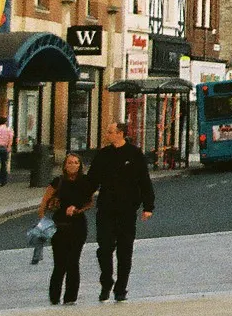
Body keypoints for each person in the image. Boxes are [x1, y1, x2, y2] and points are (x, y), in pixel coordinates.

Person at [88, 120, 154, 302]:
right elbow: (91, 181)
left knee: (125, 251)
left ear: (120, 133)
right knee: (104, 248)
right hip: (106, 209)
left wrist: (148, 206)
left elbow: (144, 181)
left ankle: (121, 289)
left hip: (127, 210)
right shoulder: (102, 155)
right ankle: (107, 281)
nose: (107, 135)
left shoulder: (134, 154)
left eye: (110, 131)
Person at [39, 152, 94, 305]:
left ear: (80, 165)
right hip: (60, 225)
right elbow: (44, 203)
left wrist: (77, 210)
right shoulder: (58, 182)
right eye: (70, 162)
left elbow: (89, 202)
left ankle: (70, 297)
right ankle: (54, 296)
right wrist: (43, 220)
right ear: (64, 165)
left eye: (76, 162)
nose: (73, 165)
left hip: (78, 226)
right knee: (59, 263)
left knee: (73, 261)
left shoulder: (84, 181)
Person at [0, 116, 15, 186]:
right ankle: (3, 181)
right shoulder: (9, 130)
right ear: (5, 122)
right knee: (4, 165)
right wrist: (9, 147)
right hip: (5, 148)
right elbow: (10, 139)